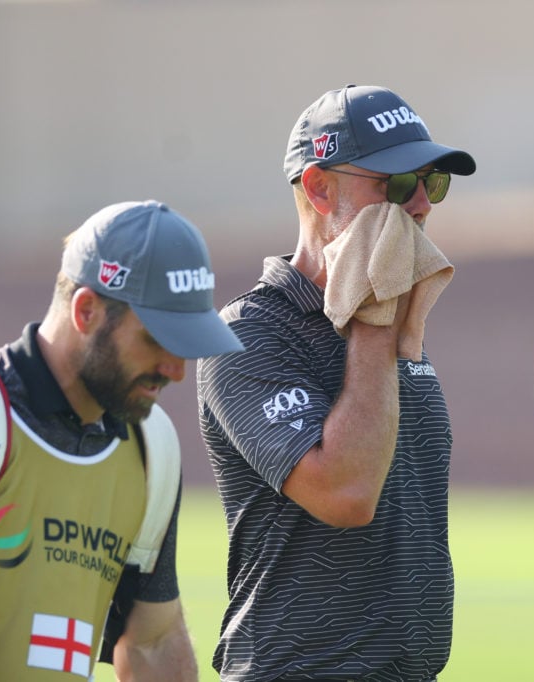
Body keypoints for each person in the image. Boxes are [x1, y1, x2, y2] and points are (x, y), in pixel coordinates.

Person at [0, 200, 244, 681]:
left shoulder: (152, 449)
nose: (176, 371)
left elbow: (153, 641)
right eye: (156, 340)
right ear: (87, 310)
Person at [196, 84, 475, 680]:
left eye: (434, 182)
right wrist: (373, 320)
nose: (422, 205)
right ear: (321, 188)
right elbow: (346, 495)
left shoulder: (398, 319)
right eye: (398, 185)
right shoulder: (249, 334)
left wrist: (389, 325)